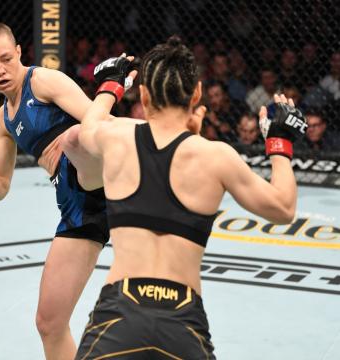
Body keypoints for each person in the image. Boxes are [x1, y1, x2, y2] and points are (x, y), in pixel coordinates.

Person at [75, 36, 307, 359]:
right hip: (182, 320)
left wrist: (111, 86)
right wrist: (279, 142)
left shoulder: (116, 137)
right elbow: (283, 208)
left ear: (143, 94)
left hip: (119, 313)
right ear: (196, 93)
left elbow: (87, 127)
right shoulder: (216, 157)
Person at [0, 22, 114, 359]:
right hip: (77, 206)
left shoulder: (44, 81)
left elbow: (102, 126)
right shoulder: (2, 120)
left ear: (19, 52)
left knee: (79, 137)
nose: (0, 70)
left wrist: (107, 97)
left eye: (5, 59)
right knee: (49, 322)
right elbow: (0, 187)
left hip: (105, 178)